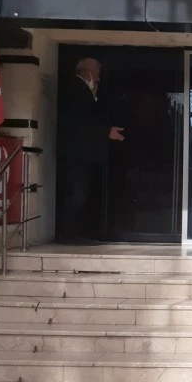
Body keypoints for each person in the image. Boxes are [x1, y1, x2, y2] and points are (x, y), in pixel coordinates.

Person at [57, 58, 124, 244]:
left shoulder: (83, 90)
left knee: (80, 193)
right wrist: (106, 132)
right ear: (87, 72)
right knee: (76, 194)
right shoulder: (75, 89)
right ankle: (70, 235)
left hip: (81, 154)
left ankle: (75, 233)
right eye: (97, 73)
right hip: (76, 154)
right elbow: (78, 123)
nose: (99, 78)